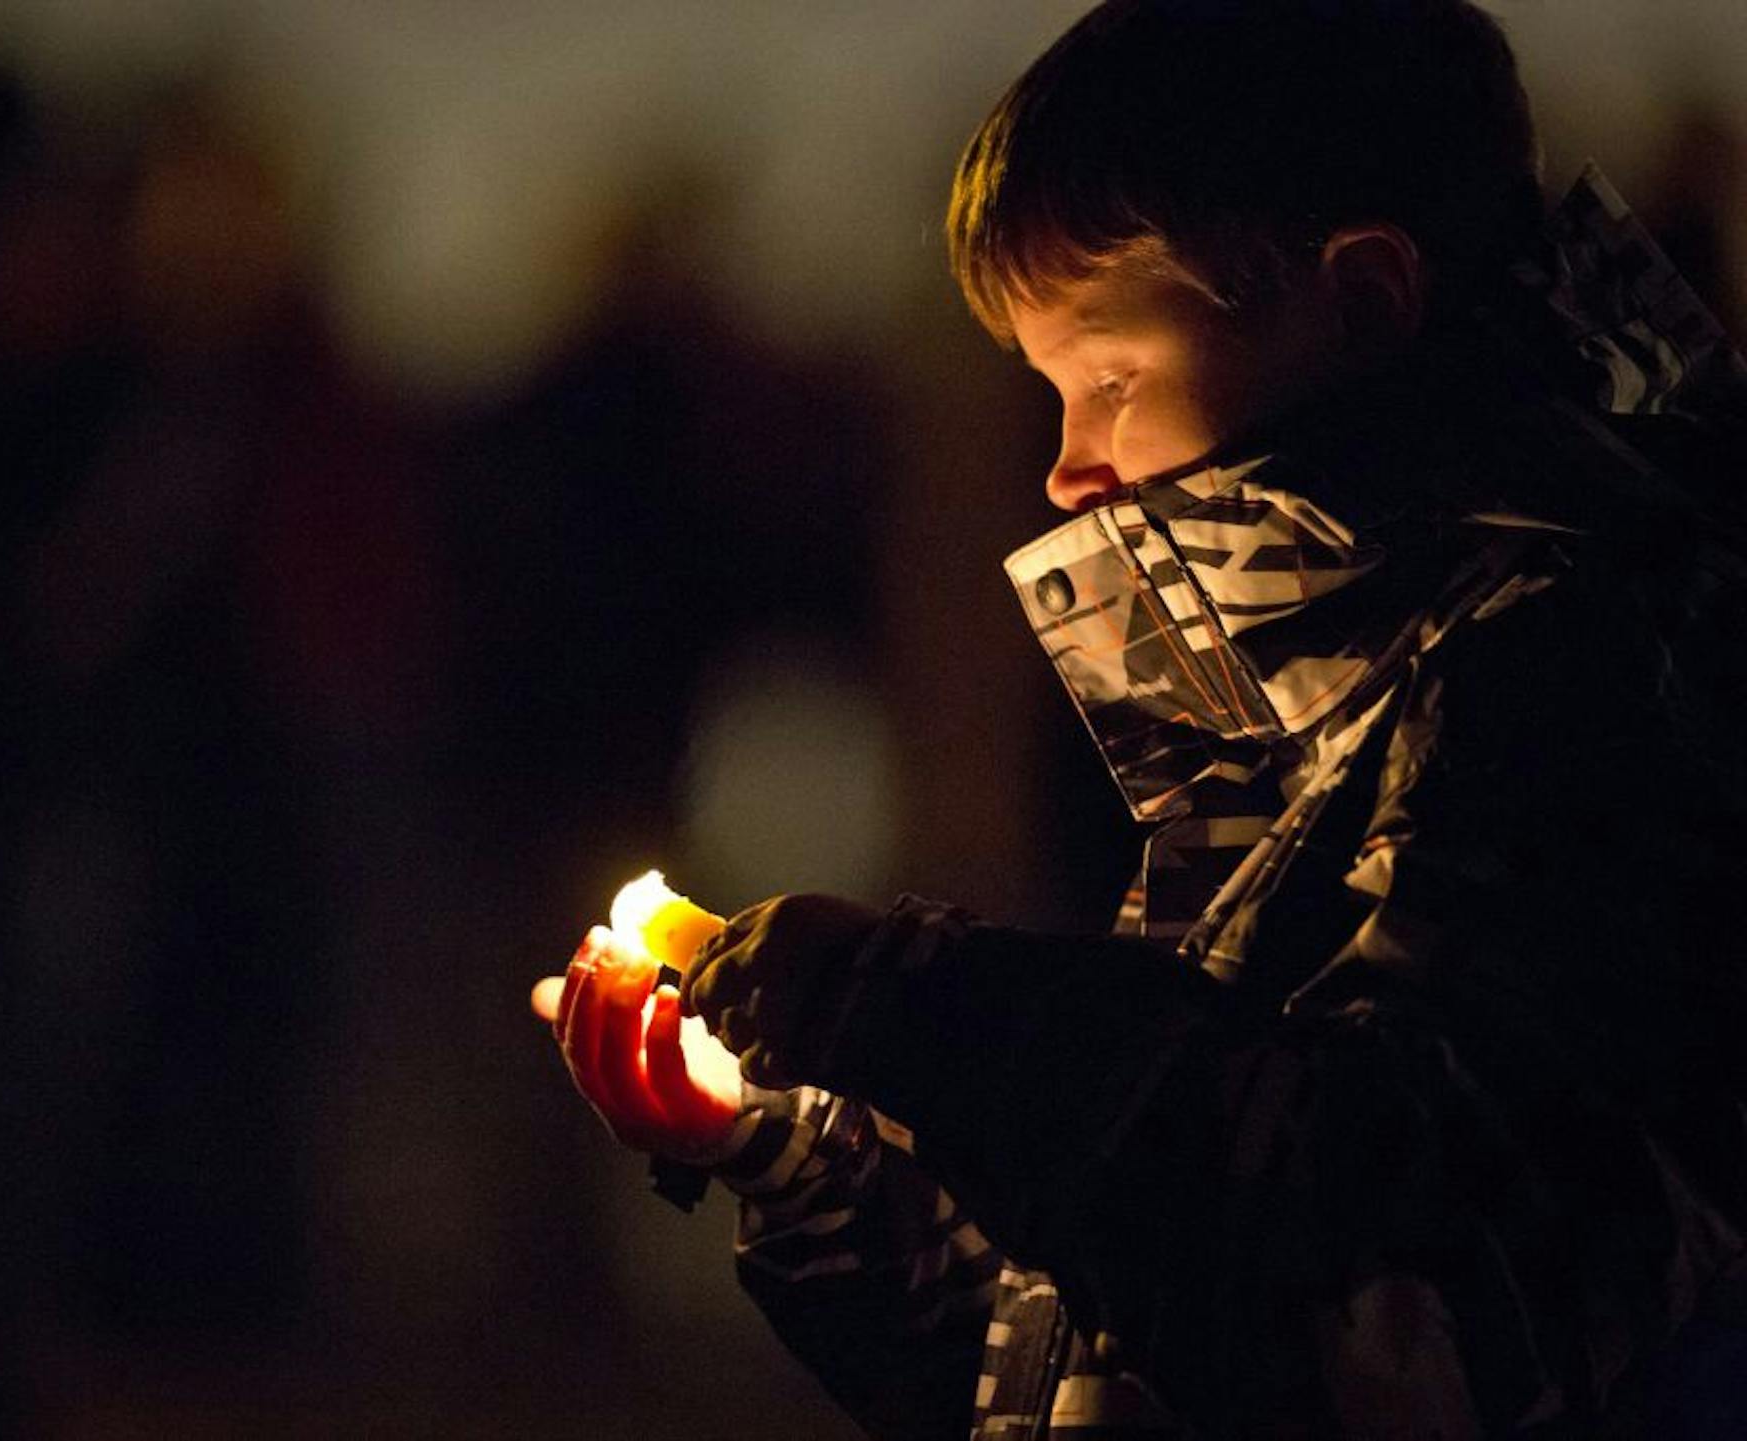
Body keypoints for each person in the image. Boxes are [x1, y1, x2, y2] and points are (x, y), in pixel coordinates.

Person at [534, 1, 1747, 1435]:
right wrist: (787, 1154)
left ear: (1359, 301)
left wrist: (910, 1001)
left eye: (1108, 380)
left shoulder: (1578, 678)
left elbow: (1357, 1265)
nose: (1066, 469)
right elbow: (1126, 1340)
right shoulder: (1296, 738)